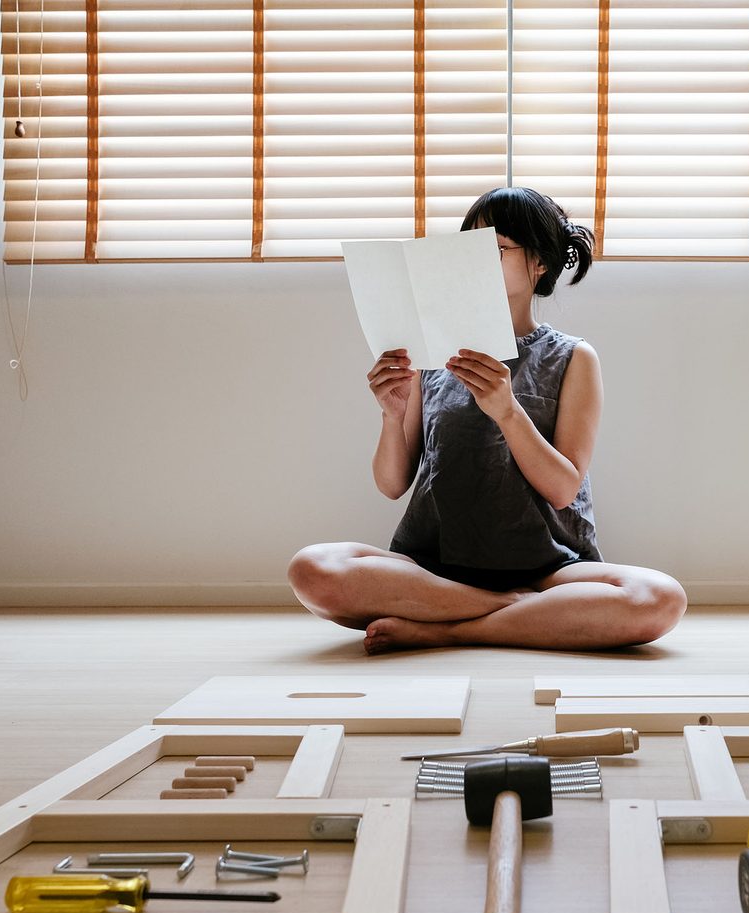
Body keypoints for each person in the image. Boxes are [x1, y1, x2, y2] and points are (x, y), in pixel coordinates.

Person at [288, 187, 686, 654]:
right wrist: (391, 415)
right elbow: (392, 484)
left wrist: (507, 411)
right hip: (434, 568)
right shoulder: (431, 355)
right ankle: (511, 610)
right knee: (312, 569)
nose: (477, 261)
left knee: (660, 598)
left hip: (547, 569)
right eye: (469, 248)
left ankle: (446, 629)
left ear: (539, 263)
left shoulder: (573, 357)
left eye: (496, 249)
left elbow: (563, 489)